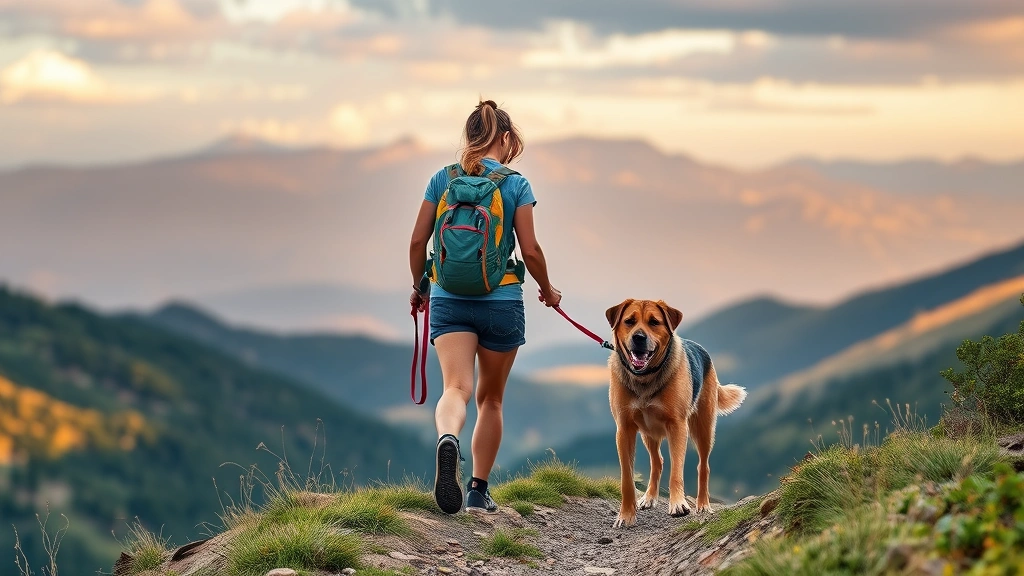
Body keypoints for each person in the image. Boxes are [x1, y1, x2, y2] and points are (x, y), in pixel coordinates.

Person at [408, 100, 561, 515]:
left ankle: (447, 438)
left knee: (455, 388)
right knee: (490, 401)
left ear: (471, 136)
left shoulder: (442, 179)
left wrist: (421, 287)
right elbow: (529, 249)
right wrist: (548, 289)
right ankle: (477, 490)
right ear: (507, 139)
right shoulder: (516, 184)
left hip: (448, 299)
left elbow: (417, 244)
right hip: (501, 303)